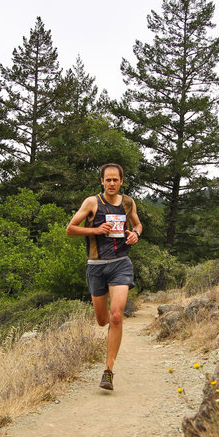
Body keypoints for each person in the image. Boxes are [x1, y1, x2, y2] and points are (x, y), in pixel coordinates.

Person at [66, 163, 142, 390]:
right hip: (96, 266)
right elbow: (70, 228)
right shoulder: (92, 202)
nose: (111, 184)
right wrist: (96, 230)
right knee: (102, 320)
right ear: (102, 181)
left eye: (115, 180)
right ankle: (112, 332)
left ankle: (108, 371)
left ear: (121, 181)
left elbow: (138, 224)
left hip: (121, 264)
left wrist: (135, 234)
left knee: (117, 315)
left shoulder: (128, 202)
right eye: (107, 180)